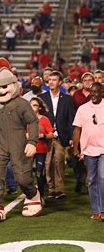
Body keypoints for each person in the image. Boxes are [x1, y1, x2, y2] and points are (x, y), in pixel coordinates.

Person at [0, 65, 42, 222]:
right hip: (0, 142)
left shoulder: (22, 104)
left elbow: (33, 121)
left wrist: (32, 142)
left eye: (4, 86)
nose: (0, 90)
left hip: (18, 141)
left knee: (22, 176)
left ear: (13, 85)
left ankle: (32, 193)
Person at [38, 71, 75, 199]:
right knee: (48, 164)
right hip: (46, 137)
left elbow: (71, 119)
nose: (51, 82)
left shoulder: (67, 98)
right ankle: (51, 188)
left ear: (60, 82)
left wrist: (71, 137)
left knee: (59, 160)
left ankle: (60, 189)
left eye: (54, 80)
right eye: (50, 80)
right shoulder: (42, 98)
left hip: (61, 136)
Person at [72, 82, 104, 221]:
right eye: (92, 92)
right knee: (91, 180)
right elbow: (77, 129)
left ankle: (103, 210)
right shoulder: (82, 109)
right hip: (89, 150)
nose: (94, 94)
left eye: (97, 92)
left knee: (103, 178)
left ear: (102, 92)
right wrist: (75, 148)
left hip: (103, 149)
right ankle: (96, 210)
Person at [29, 97, 54, 197]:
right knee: (27, 173)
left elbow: (51, 134)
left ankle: (41, 195)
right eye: (31, 104)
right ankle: (30, 194)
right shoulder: (25, 119)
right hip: (28, 149)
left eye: (35, 105)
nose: (32, 107)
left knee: (39, 172)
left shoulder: (44, 119)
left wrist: (43, 135)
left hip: (41, 149)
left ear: (39, 107)